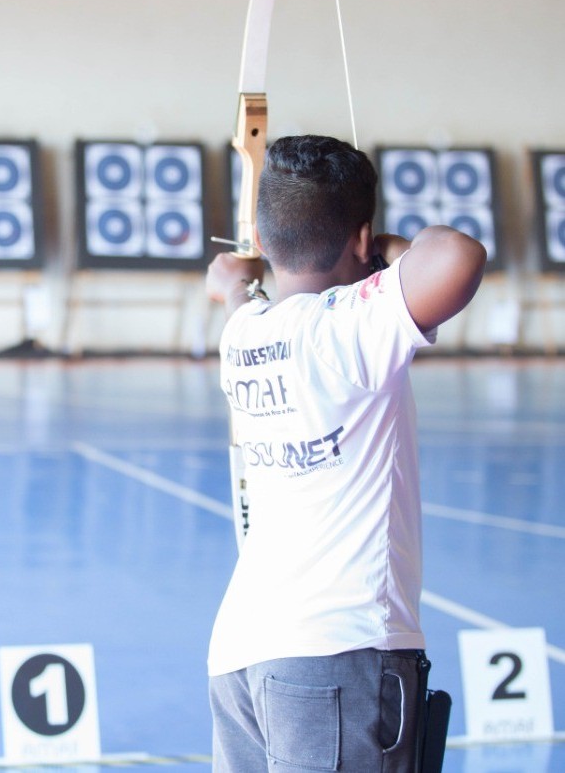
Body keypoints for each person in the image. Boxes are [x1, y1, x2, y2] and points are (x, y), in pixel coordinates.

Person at [205, 135, 486, 772]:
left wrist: (243, 274)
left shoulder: (244, 331)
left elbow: (235, 289)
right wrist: (379, 251)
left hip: (240, 657)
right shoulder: (349, 327)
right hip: (338, 653)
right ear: (361, 238)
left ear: (267, 235)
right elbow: (455, 254)